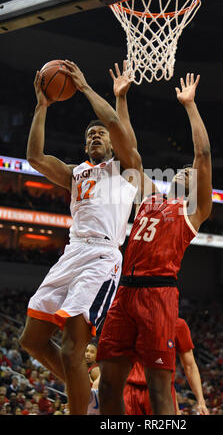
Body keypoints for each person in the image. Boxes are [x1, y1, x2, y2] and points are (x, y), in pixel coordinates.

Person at [19, 60, 143, 415]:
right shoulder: (76, 173)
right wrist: (43, 106)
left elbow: (119, 126)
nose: (95, 136)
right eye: (90, 135)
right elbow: (35, 157)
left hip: (102, 257)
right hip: (72, 253)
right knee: (31, 339)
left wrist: (88, 89)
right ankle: (86, 395)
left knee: (75, 349)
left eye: (100, 134)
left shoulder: (125, 169)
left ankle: (83, 408)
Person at [97, 66, 212, 415]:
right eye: (184, 169)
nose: (184, 170)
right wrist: (121, 99)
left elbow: (203, 155)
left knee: (161, 392)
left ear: (194, 187)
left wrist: (190, 106)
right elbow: (128, 150)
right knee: (107, 384)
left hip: (158, 295)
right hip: (125, 292)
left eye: (189, 173)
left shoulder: (193, 214)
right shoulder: (150, 197)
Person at [123, 318, 209, 415]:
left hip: (163, 390)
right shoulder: (129, 321)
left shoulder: (178, 325)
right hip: (130, 389)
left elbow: (190, 366)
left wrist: (201, 402)